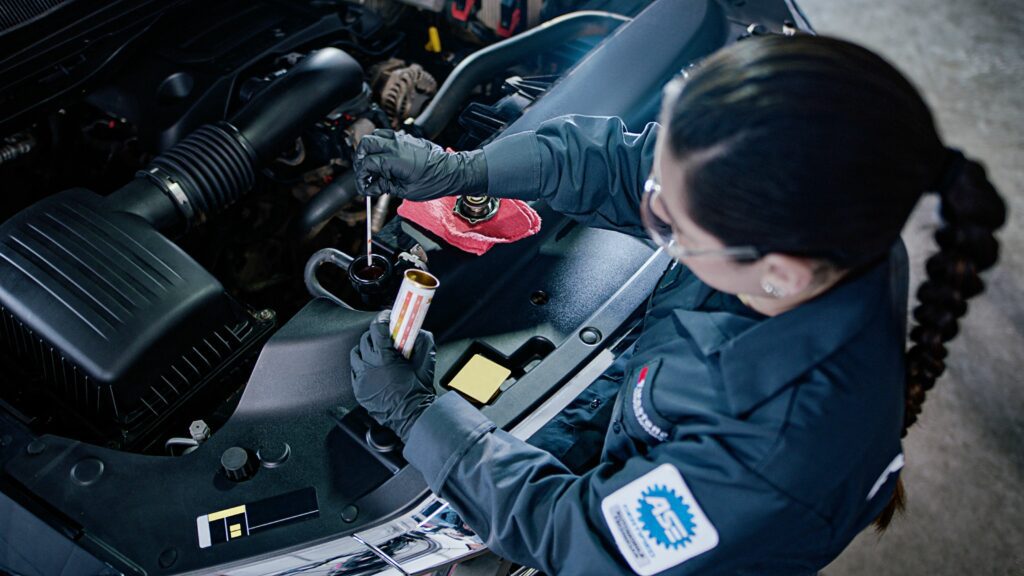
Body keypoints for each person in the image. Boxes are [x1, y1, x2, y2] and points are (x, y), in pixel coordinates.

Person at [348, 35, 1005, 575]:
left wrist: (421, 419)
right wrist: (466, 170)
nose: (650, 208)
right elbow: (622, 164)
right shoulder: (826, 220)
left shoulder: (768, 461)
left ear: (775, 272)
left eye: (673, 226)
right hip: (656, 398)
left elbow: (582, 539)